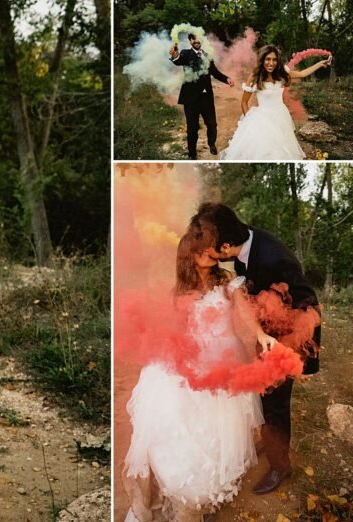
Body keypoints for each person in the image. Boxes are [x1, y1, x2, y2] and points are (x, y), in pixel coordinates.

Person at [122, 221, 271, 522]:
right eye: (200, 247)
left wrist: (259, 333)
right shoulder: (179, 290)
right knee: (172, 421)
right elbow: (175, 329)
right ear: (189, 254)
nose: (207, 251)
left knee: (218, 429)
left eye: (209, 245)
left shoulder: (226, 279)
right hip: (192, 358)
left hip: (223, 359)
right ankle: (179, 487)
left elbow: (244, 310)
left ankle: (204, 494)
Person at [195, 203, 321, 494]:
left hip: (289, 335)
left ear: (225, 247)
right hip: (267, 333)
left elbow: (307, 305)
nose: (210, 255)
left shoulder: (273, 258)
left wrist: (298, 357)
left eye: (212, 250)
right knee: (263, 395)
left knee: (276, 402)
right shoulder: (245, 240)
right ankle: (271, 439)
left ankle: (280, 466)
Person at [219, 45, 332, 160]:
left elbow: (302, 73)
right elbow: (244, 102)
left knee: (281, 150)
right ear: (262, 60)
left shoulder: (281, 74)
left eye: (274, 60)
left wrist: (319, 64)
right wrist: (248, 122)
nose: (271, 63)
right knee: (263, 150)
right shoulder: (255, 77)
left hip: (281, 117)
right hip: (262, 120)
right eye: (268, 59)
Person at [170, 33, 235, 160]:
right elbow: (178, 61)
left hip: (206, 98)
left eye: (198, 38)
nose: (196, 41)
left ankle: (211, 144)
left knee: (212, 124)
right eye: (193, 39)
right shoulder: (185, 53)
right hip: (190, 99)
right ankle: (192, 154)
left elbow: (215, 73)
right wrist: (174, 55)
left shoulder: (207, 56)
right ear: (190, 41)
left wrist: (227, 79)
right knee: (192, 129)